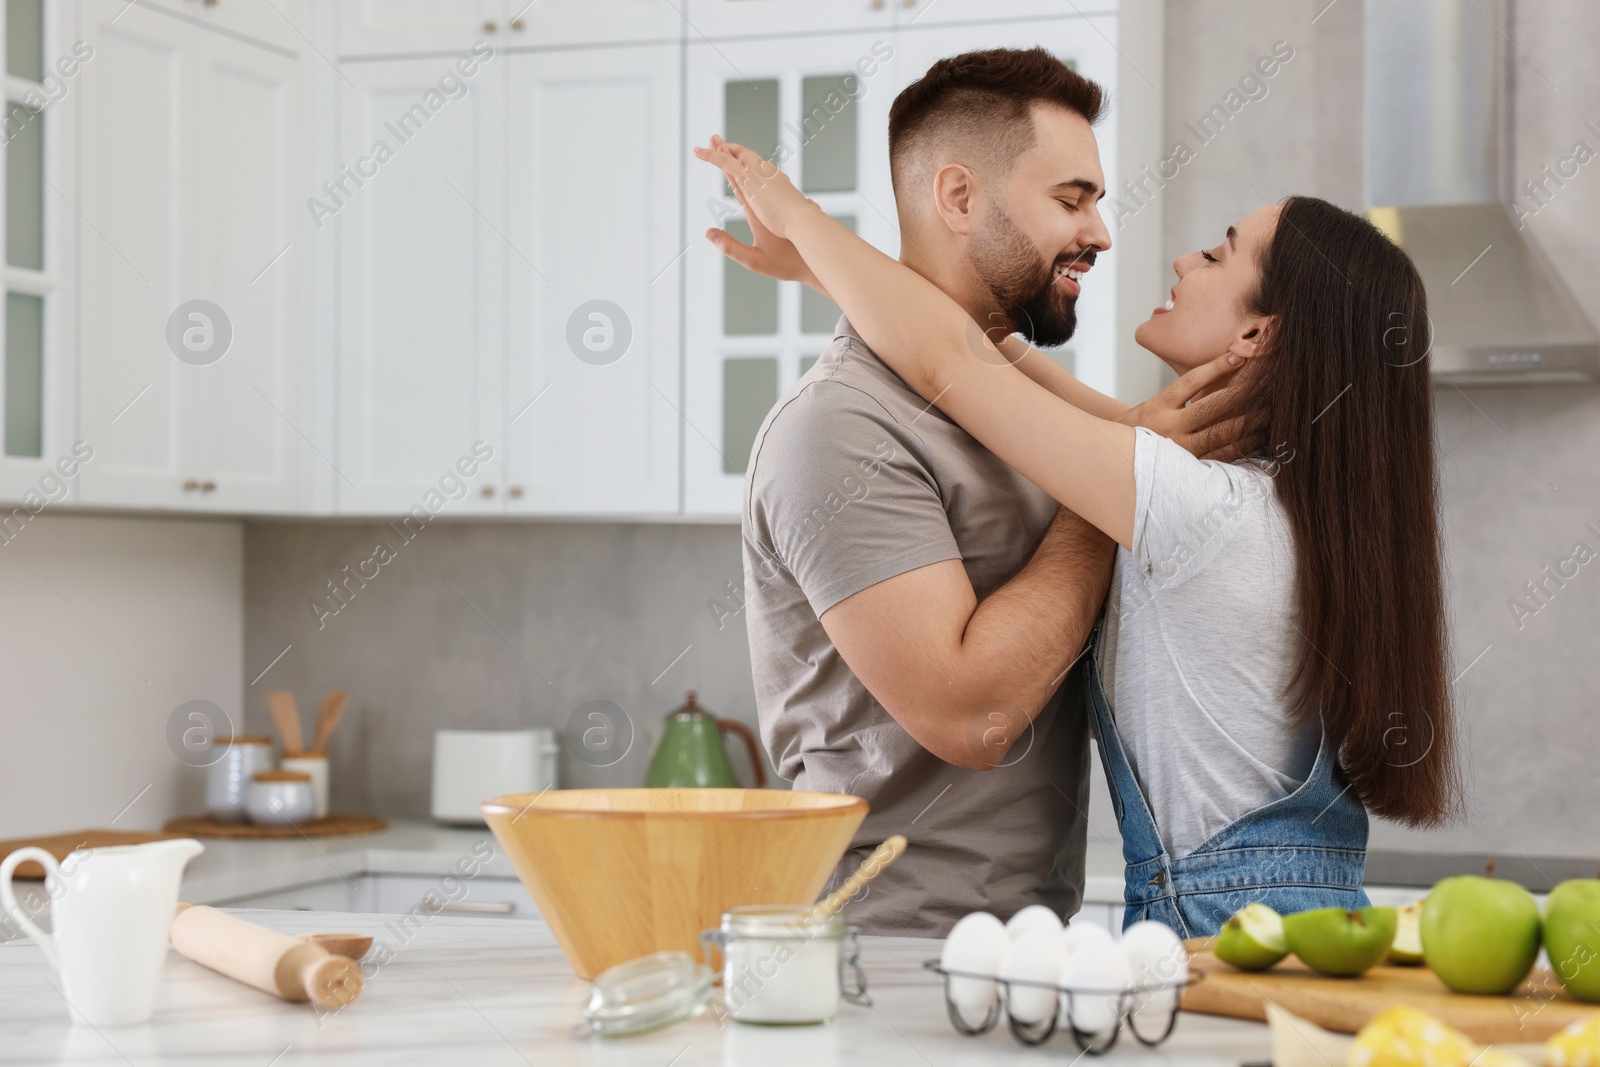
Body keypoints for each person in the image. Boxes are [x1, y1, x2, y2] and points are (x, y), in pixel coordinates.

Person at [699, 106, 1461, 937]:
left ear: (1254, 332)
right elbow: (999, 359)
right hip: (1302, 914)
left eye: (1216, 253)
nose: (1182, 258)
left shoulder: (1195, 505)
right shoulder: (1262, 498)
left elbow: (951, 362)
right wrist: (822, 272)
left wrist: (802, 217)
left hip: (1223, 925)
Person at [714, 49, 1238, 937]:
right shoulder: (838, 427)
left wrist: (816, 254)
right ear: (958, 198)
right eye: (1071, 200)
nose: (1102, 233)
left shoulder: (1013, 402)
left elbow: (964, 354)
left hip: (1019, 942)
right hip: (881, 954)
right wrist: (1110, 489)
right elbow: (974, 713)